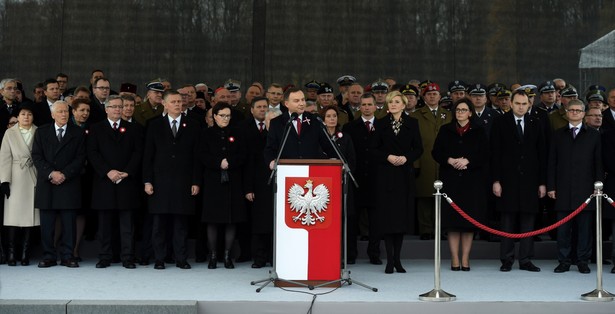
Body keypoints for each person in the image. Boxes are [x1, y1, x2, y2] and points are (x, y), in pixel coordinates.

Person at [142, 90, 201, 270]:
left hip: (183, 182)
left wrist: (196, 181)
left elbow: (196, 157)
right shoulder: (154, 125)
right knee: (159, 224)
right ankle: (160, 258)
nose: (178, 104)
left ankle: (181, 258)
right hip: (160, 182)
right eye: (173, 102)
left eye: (179, 101)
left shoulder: (193, 125)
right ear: (165, 104)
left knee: (180, 223)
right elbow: (148, 156)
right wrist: (147, 181)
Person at [491, 90, 546, 272]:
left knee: (528, 222)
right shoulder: (500, 122)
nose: (521, 107)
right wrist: (496, 180)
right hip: (507, 180)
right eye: (518, 103)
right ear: (511, 104)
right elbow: (495, 154)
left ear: (529, 104)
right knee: (507, 221)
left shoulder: (536, 122)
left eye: (524, 104)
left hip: (530, 181)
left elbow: (542, 155)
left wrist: (542, 182)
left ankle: (526, 259)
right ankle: (506, 259)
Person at [87, 95, 143, 269]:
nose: (118, 109)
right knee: (104, 224)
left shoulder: (134, 128)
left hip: (126, 182)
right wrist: (107, 171)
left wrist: (127, 172)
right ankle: (105, 256)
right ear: (106, 109)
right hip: (105, 182)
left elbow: (138, 153)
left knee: (127, 224)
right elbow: (92, 153)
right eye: (114, 107)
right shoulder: (96, 129)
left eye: (121, 106)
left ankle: (127, 257)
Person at [432, 98, 487, 271]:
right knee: (453, 223)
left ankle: (465, 258)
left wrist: (468, 161)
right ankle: (455, 259)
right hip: (451, 181)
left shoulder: (479, 131)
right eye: (458, 110)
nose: (460, 113)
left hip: (471, 182)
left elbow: (485, 154)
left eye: (464, 110)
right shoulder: (445, 130)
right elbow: (436, 152)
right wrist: (450, 160)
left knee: (467, 223)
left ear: (470, 113)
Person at [548, 99, 603, 274]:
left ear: (583, 114)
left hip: (586, 189)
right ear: (566, 112)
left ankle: (582, 261)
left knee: (584, 229)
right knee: (563, 229)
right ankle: (563, 261)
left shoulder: (594, 135)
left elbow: (598, 164)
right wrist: (551, 186)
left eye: (578, 111)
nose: (575, 113)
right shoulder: (557, 134)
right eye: (571, 110)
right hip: (563, 189)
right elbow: (552, 163)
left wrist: (598, 186)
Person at [372, 91, 423, 273]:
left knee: (400, 218)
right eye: (390, 102)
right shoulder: (380, 123)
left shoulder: (412, 123)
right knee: (387, 218)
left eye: (396, 102)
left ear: (403, 104)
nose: (392, 105)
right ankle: (389, 260)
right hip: (385, 176)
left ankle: (398, 260)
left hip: (403, 175)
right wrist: (388, 156)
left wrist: (405, 158)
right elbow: (373, 149)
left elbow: (418, 149)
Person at [32, 100, 86, 268]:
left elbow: (81, 158)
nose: (64, 114)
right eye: (60, 111)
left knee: (69, 223)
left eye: (66, 111)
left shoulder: (78, 132)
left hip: (68, 182)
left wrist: (64, 174)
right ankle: (48, 255)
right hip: (48, 183)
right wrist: (51, 173)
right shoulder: (41, 132)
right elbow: (37, 156)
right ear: (52, 114)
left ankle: (68, 256)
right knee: (47, 224)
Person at [200, 102, 247, 269]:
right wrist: (217, 163)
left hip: (233, 180)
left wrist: (230, 162)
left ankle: (227, 255)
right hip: (213, 181)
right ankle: (213, 256)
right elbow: (202, 155)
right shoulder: (206, 134)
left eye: (228, 116)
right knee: (212, 220)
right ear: (214, 116)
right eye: (222, 116)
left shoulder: (238, 133)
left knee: (231, 219)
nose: (225, 119)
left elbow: (243, 154)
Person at [343, 93, 382, 265]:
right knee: (352, 219)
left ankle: (374, 253)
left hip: (376, 179)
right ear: (359, 107)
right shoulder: (350, 127)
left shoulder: (383, 127)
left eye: (369, 104)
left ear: (375, 106)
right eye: (363, 104)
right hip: (355, 179)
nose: (366, 107)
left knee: (376, 220)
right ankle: (350, 253)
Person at [410, 82, 452, 240]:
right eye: (429, 94)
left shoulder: (448, 115)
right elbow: (413, 142)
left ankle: (441, 228)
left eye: (435, 94)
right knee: (424, 197)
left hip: (443, 161)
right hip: (424, 160)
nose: (432, 96)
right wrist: (415, 164)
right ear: (423, 97)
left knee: (442, 197)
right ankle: (426, 229)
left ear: (440, 96)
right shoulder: (415, 116)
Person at [0, 104, 39, 266]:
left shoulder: (39, 131)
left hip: (33, 174)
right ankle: (11, 253)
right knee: (13, 218)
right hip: (15, 176)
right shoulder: (10, 133)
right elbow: (5, 157)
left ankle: (25, 253)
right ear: (18, 116)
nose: (26, 117)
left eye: (29, 114)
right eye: (23, 114)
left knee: (30, 218)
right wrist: (4, 181)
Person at [321, 105, 357, 264]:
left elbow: (352, 161)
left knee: (346, 218)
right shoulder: (319, 137)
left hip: (343, 184)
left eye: (334, 116)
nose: (332, 119)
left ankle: (348, 254)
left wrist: (342, 167)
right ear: (323, 119)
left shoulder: (346, 137)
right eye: (328, 116)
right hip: (324, 186)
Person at [264, 87, 334, 167]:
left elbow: (328, 145)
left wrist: (335, 158)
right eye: (296, 101)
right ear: (287, 104)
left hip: (312, 172)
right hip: (287, 171)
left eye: (303, 100)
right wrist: (271, 162)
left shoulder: (315, 120)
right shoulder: (276, 123)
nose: (301, 103)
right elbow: (270, 149)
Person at [241, 97, 273, 268]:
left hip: (274, 181)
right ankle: (259, 258)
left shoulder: (277, 129)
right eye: (259, 107)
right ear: (252, 110)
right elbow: (246, 162)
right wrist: (248, 187)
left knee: (273, 222)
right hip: (255, 181)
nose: (262, 109)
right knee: (258, 223)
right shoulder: (244, 127)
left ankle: (274, 257)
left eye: (265, 107)